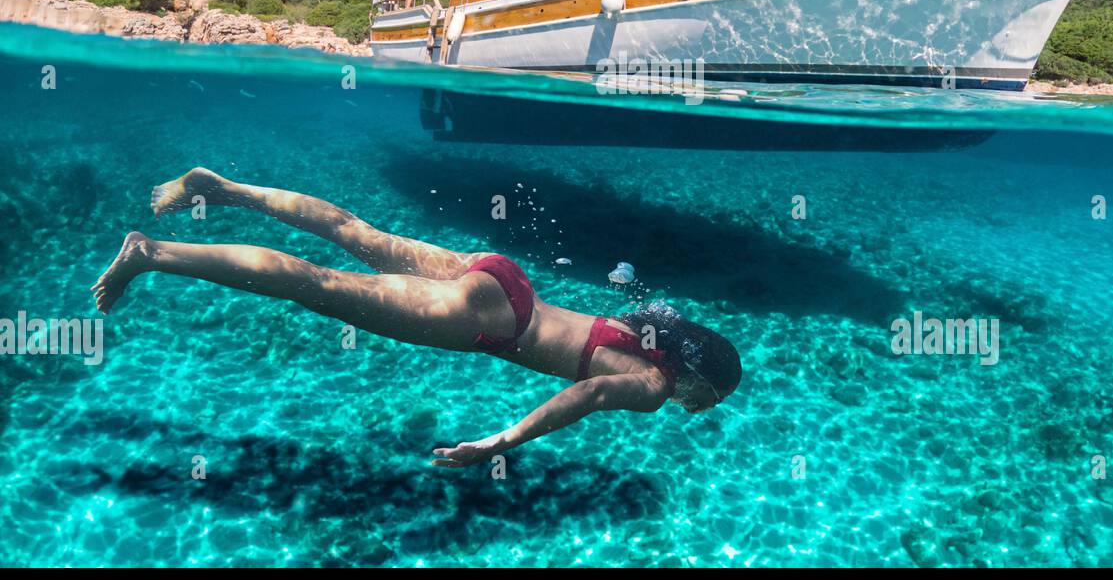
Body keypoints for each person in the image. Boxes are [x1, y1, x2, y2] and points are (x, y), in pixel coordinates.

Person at [91, 168, 743, 466]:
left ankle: (223, 188)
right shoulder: (654, 387)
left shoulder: (649, 325)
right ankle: (152, 253)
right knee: (316, 284)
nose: (704, 407)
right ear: (701, 380)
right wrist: (502, 443)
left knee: (354, 230)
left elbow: (598, 337)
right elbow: (589, 392)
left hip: (503, 276)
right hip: (488, 316)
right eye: (712, 398)